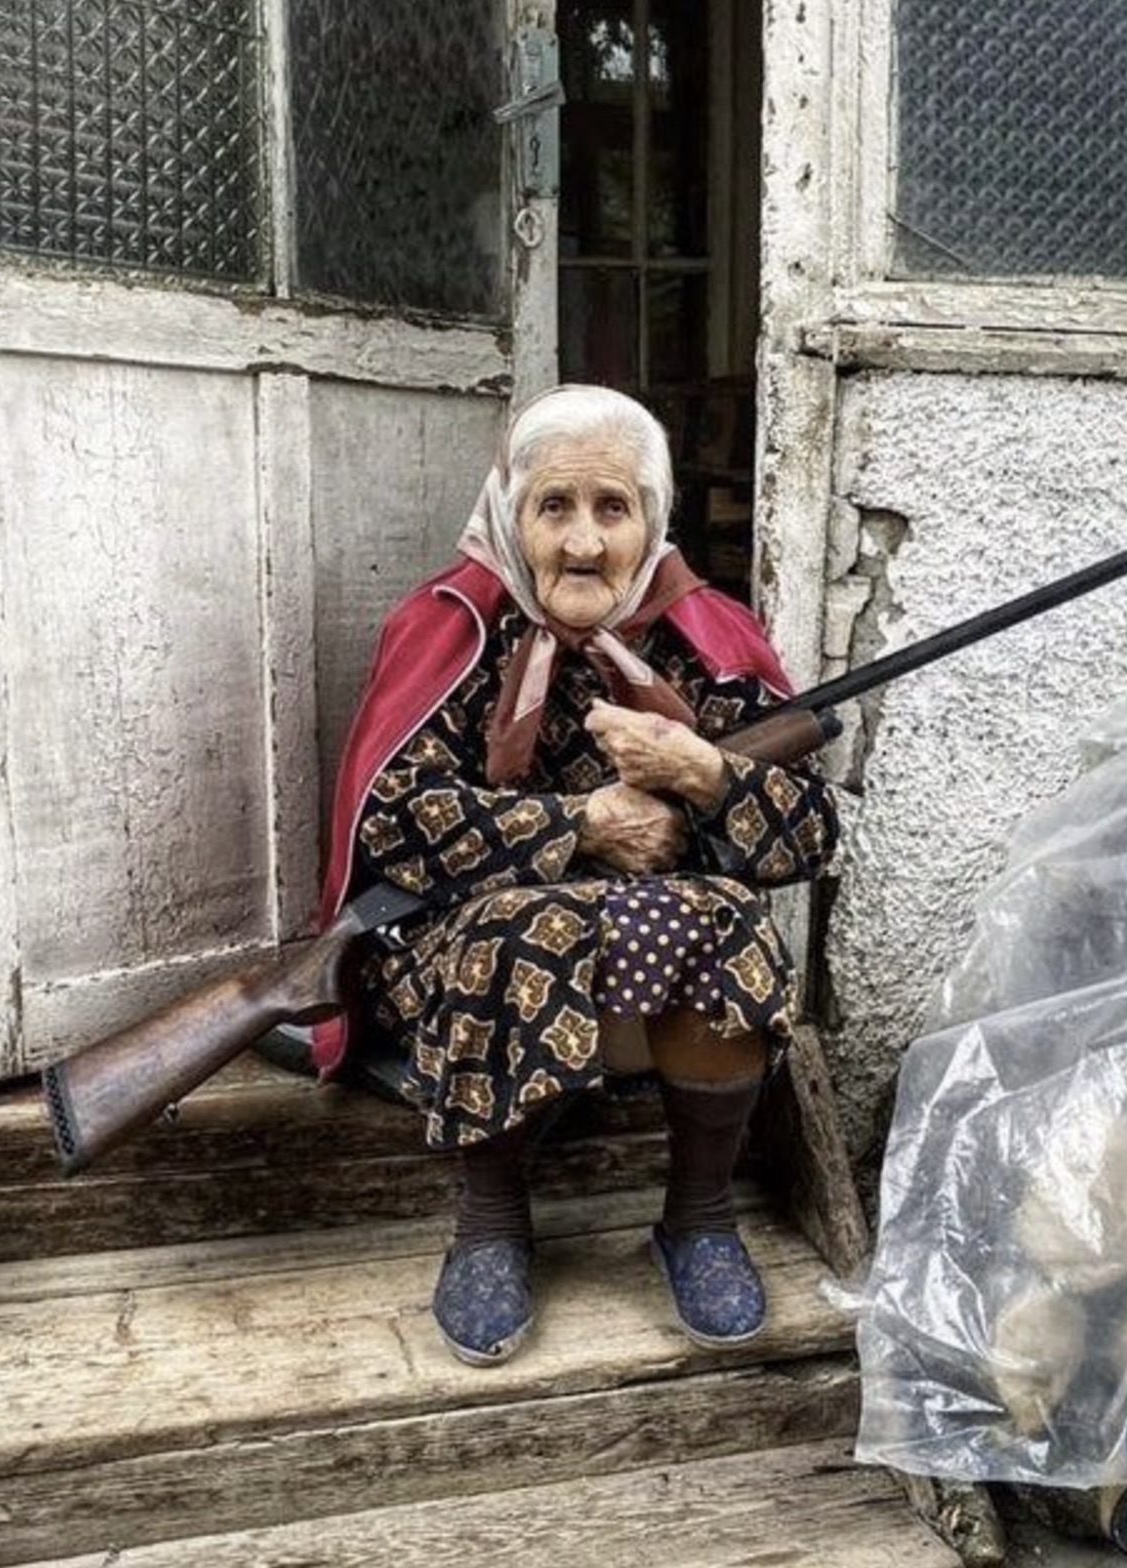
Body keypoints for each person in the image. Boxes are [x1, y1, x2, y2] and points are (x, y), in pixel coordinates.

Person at [314, 384, 839, 1366]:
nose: (585, 541)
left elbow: (806, 835)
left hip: (653, 967)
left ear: (653, 518)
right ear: (508, 515)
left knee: (726, 919)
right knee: (525, 924)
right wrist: (577, 824)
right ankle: (490, 1221)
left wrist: (706, 771)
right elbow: (390, 825)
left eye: (613, 507)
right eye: (553, 506)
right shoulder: (454, 630)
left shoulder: (703, 639)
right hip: (463, 961)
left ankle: (696, 1216)